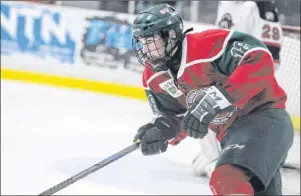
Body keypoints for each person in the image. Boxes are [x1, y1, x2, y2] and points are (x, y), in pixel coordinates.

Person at [131, 3, 293, 196]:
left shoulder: (206, 44)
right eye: (143, 43)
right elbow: (178, 117)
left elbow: (259, 58)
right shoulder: (153, 76)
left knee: (227, 181)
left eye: (152, 42)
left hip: (264, 118)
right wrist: (162, 130)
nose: (147, 50)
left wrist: (220, 97)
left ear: (171, 35)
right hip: (230, 135)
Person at [193, 0, 284, 178]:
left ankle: (218, 161)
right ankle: (217, 155)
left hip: (251, 79)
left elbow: (271, 57)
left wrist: (242, 82)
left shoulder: (260, 5)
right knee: (194, 93)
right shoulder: (224, 3)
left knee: (207, 102)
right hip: (228, 75)